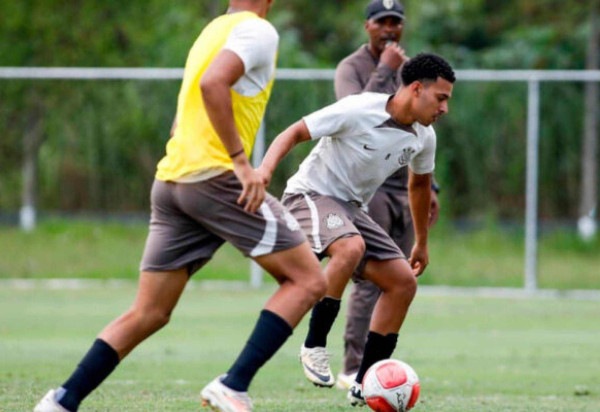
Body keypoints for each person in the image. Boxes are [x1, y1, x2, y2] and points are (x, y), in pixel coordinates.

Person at [33, 1, 327, 411]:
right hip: (216, 179)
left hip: (172, 180)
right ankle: (233, 385)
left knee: (149, 311)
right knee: (308, 281)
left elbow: (183, 115)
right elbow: (212, 85)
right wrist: (242, 164)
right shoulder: (259, 31)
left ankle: (61, 401)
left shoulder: (212, 30)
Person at [256, 52, 455, 406]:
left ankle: (366, 382)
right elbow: (295, 132)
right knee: (350, 248)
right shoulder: (358, 109)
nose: (444, 108)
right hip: (309, 195)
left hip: (352, 209)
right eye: (441, 98)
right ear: (415, 89)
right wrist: (265, 170)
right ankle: (315, 343)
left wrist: (422, 243)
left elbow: (420, 186)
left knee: (401, 283)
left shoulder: (424, 137)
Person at [333, 0, 441, 390]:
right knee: (369, 278)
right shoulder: (353, 68)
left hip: (404, 188)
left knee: (400, 277)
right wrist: (385, 70)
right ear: (368, 27)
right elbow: (353, 113)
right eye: (383, 22)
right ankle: (352, 366)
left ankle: (376, 369)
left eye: (397, 22)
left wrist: (431, 189)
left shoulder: (411, 72)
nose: (390, 29)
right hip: (368, 189)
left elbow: (418, 131)